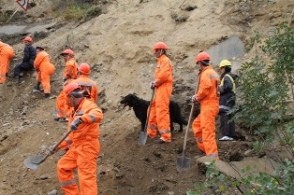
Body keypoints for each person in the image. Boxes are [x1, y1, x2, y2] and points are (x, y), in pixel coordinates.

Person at [54, 82, 103, 195]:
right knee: (62, 167)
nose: (66, 102)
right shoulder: (74, 111)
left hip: (87, 147)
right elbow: (71, 135)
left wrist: (81, 119)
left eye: (67, 98)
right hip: (77, 147)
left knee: (86, 180)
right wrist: (57, 147)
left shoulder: (88, 105)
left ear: (71, 97)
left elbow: (98, 114)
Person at [191, 51, 220, 159]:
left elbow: (205, 89)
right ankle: (205, 151)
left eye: (198, 64)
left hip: (209, 106)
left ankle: (213, 160)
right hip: (210, 105)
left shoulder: (206, 73)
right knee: (196, 126)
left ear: (200, 63)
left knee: (207, 133)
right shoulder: (213, 72)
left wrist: (196, 97)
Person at [146, 42, 173, 144]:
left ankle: (165, 136)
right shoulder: (160, 61)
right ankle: (151, 132)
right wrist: (155, 83)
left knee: (162, 110)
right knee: (152, 108)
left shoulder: (165, 60)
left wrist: (155, 82)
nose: (155, 52)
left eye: (157, 50)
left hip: (164, 87)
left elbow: (164, 75)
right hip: (160, 87)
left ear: (162, 50)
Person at [55, 49, 78, 122]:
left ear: (71, 56)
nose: (64, 57)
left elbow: (68, 74)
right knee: (60, 98)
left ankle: (68, 117)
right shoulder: (72, 62)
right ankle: (61, 115)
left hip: (70, 82)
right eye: (64, 56)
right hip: (71, 82)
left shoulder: (70, 63)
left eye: (66, 55)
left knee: (68, 100)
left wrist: (65, 79)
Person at [218, 60, 237, 141]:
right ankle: (231, 135)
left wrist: (219, 89)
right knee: (230, 116)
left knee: (224, 115)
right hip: (231, 98)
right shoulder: (230, 76)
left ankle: (226, 134)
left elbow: (228, 87)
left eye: (221, 68)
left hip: (226, 99)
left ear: (225, 68)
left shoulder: (226, 77)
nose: (220, 70)